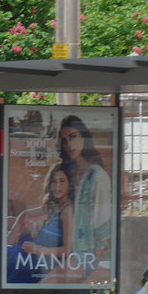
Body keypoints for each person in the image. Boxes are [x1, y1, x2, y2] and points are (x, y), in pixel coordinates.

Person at [56, 114, 112, 280]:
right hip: (71, 253)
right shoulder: (69, 173)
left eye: (73, 137)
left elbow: (102, 221)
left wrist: (99, 258)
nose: (69, 145)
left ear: (84, 138)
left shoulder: (97, 176)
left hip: (91, 256)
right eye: (65, 140)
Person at [5, 167, 74, 284]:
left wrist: (36, 249)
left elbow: (67, 250)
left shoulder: (68, 210)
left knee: (6, 254)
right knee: (6, 246)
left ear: (69, 184)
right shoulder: (54, 206)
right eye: (54, 181)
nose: (57, 187)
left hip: (43, 260)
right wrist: (15, 229)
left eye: (62, 181)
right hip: (32, 254)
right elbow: (25, 214)